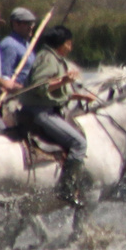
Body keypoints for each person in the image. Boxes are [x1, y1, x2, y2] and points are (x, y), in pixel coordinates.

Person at [19, 26, 95, 207]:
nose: (71, 47)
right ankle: (66, 188)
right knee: (79, 143)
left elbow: (56, 92)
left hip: (47, 108)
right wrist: (64, 81)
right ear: (62, 44)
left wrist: (79, 96)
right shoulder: (47, 59)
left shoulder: (54, 58)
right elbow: (39, 87)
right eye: (69, 43)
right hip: (41, 112)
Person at [0, 7, 37, 82]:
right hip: (16, 92)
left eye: (32, 23)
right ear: (15, 24)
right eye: (27, 23)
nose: (31, 27)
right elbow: (4, 76)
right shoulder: (9, 45)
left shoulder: (27, 45)